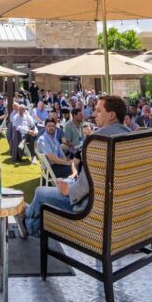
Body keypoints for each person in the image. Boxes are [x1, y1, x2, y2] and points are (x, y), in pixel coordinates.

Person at [22, 94, 132, 238]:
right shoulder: (132, 138)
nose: (93, 114)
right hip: (122, 212)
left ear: (111, 115)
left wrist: (69, 190)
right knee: (64, 184)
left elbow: (86, 186)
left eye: (98, 111)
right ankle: (30, 221)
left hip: (92, 210)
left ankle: (26, 217)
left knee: (40, 193)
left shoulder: (98, 142)